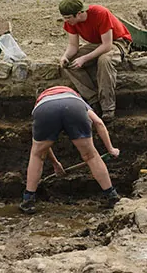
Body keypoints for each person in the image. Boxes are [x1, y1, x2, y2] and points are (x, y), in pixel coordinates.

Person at [20, 85, 121, 214]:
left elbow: (43, 148)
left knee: (37, 155)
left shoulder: (40, 101)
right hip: (74, 107)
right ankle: (112, 196)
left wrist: (56, 164)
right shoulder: (75, 97)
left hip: (46, 110)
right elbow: (99, 123)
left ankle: (28, 200)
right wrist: (111, 149)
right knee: (91, 155)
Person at [58, 0, 132, 122]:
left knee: (104, 61)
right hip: (97, 44)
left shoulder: (100, 13)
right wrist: (65, 56)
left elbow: (107, 45)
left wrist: (84, 59)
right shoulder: (70, 22)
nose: (66, 21)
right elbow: (73, 45)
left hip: (117, 42)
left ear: (79, 13)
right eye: (64, 17)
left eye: (69, 17)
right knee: (69, 64)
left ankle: (108, 108)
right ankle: (93, 100)